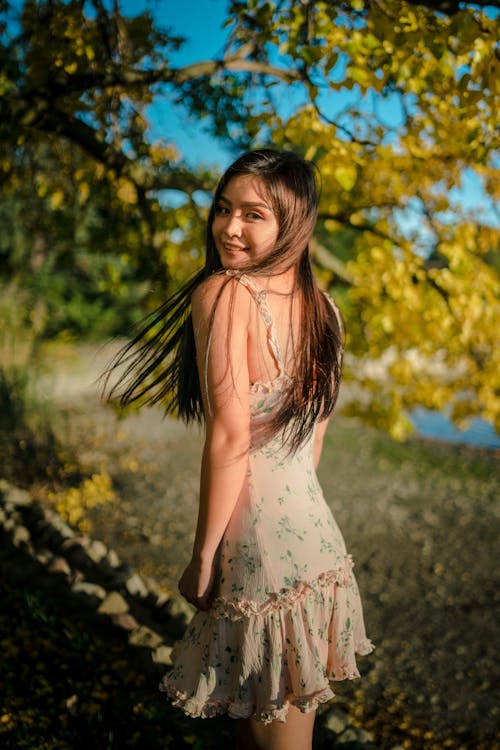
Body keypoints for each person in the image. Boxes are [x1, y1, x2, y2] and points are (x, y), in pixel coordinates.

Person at [107, 149, 373, 750]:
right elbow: (312, 441)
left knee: (275, 739)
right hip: (317, 543)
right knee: (281, 732)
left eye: (253, 214)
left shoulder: (225, 294)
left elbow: (229, 437)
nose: (229, 227)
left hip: (261, 551)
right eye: (224, 209)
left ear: (293, 222)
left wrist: (204, 556)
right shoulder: (325, 308)